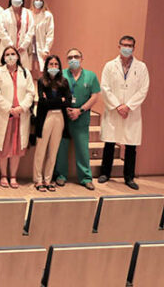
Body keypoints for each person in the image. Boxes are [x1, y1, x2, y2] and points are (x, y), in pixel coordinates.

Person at [99, 36, 150, 190]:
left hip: (131, 112)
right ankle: (105, 173)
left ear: (134, 48)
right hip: (114, 110)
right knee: (109, 143)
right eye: (124, 45)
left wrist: (128, 106)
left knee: (130, 146)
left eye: (130, 46)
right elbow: (105, 87)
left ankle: (129, 177)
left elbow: (143, 89)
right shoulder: (109, 66)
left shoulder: (141, 67)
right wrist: (117, 106)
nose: (126, 48)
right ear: (119, 46)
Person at [0, 46, 35, 189]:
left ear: (18, 56)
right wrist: (9, 108)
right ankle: (3, 175)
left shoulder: (25, 73)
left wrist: (21, 108)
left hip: (20, 115)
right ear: (3, 57)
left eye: (13, 54)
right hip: (4, 115)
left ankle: (13, 176)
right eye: (7, 54)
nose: (10, 57)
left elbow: (30, 93)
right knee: (4, 147)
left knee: (16, 148)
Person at [54, 48, 100, 190]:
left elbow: (94, 96)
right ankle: (61, 176)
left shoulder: (90, 76)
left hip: (81, 117)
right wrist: (66, 108)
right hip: (64, 117)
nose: (73, 59)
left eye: (76, 56)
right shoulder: (61, 75)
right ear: (67, 60)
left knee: (82, 149)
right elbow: (55, 93)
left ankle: (86, 178)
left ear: (82, 58)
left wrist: (80, 110)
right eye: (70, 57)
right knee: (62, 148)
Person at [33, 55, 71, 192]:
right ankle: (38, 180)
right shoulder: (42, 81)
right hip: (45, 117)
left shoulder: (64, 82)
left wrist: (54, 101)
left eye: (56, 64)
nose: (53, 67)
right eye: (51, 64)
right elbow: (43, 103)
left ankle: (48, 179)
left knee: (53, 150)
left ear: (59, 67)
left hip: (59, 118)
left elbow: (68, 101)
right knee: (41, 150)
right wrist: (59, 101)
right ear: (46, 66)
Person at [0, 0, 35, 71]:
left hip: (22, 49)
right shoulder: (4, 13)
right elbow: (1, 30)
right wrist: (10, 46)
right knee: (7, 71)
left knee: (22, 72)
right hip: (8, 48)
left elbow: (31, 30)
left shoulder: (28, 13)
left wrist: (24, 45)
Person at [30, 0, 55, 78]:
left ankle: (40, 90)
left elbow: (50, 33)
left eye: (40, 0)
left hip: (41, 46)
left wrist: (46, 49)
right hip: (29, 45)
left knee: (41, 71)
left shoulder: (47, 15)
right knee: (30, 70)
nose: (38, 1)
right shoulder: (29, 14)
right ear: (33, 0)